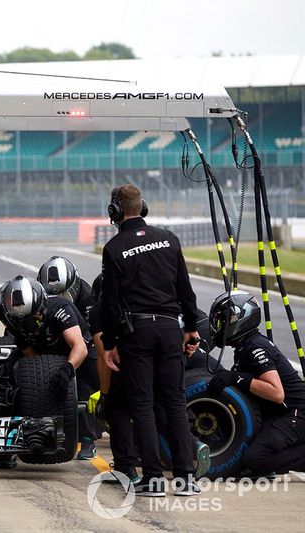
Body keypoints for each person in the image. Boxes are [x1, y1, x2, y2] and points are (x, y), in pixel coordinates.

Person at [100, 184, 201, 497]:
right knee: (174, 402)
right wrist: (192, 328)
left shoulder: (115, 248)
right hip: (171, 328)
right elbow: (185, 288)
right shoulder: (169, 239)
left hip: (137, 333)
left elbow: (111, 303)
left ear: (114, 211)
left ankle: (154, 479)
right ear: (142, 207)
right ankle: (185, 478)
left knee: (142, 405)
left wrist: (110, 343)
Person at [0, 275, 88, 469]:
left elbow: (80, 347)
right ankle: (8, 446)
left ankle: (88, 439)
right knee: (14, 385)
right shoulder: (9, 311)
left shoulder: (60, 309)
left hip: (72, 351)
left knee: (86, 386)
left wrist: (67, 369)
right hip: (35, 349)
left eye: (32, 318)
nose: (28, 321)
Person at [207, 291, 305, 476]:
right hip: (280, 413)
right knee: (241, 452)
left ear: (242, 318)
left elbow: (276, 393)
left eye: (224, 321)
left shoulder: (255, 347)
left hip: (297, 413)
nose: (220, 327)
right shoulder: (245, 345)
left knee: (255, 459)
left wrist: (236, 378)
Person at [38, 256, 100, 460]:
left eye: (63, 293)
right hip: (51, 338)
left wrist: (72, 362)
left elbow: (94, 332)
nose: (59, 298)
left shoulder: (87, 295)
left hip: (84, 340)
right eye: (52, 294)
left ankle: (88, 438)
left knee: (84, 378)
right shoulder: (37, 294)